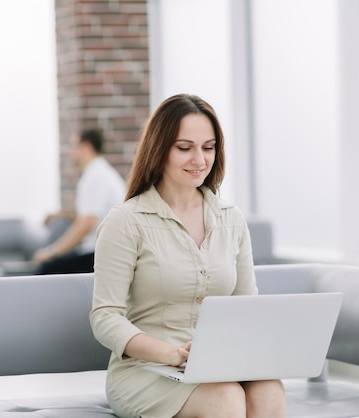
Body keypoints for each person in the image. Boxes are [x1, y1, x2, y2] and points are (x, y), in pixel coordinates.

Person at [89, 94, 287, 418]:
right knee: (224, 398)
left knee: (269, 390)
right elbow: (105, 317)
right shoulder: (126, 221)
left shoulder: (231, 219)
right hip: (148, 370)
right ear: (160, 149)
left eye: (208, 148)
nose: (199, 159)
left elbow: (246, 307)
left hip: (219, 365)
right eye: (185, 147)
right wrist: (172, 354)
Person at [33, 128, 126, 274]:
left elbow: (87, 224)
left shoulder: (96, 177)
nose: (71, 152)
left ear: (86, 147)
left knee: (44, 271)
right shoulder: (100, 172)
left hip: (100, 256)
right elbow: (93, 219)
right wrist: (62, 215)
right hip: (101, 251)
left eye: (74, 146)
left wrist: (51, 252)